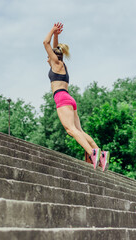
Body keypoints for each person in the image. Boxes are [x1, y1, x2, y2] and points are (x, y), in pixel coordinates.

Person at [43, 22, 109, 171]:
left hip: (61, 98)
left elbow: (45, 43)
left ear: (53, 56)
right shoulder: (61, 64)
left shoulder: (55, 62)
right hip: (70, 100)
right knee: (80, 131)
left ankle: (93, 154)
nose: (47, 58)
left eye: (49, 56)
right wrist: (56, 35)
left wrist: (52, 30)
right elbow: (53, 48)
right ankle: (101, 154)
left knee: (71, 130)